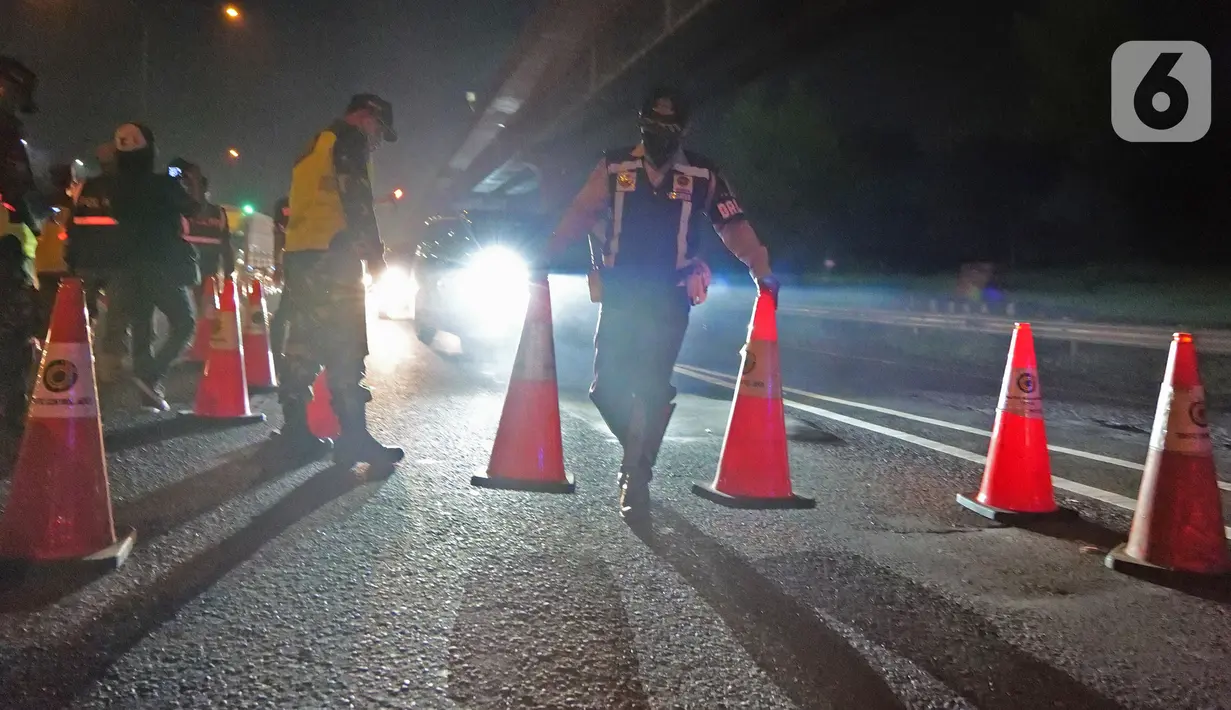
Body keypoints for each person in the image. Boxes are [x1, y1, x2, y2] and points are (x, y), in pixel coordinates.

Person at [544, 86, 781, 520]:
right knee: (606, 390)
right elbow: (581, 213)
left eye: (669, 128)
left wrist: (761, 270)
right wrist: (547, 256)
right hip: (620, 294)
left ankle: (636, 478)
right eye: (652, 126)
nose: (660, 135)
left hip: (670, 297)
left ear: (684, 130)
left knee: (653, 386)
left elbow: (734, 225)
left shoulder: (704, 174)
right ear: (640, 123)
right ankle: (640, 454)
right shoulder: (614, 166)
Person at [278, 94, 403, 466]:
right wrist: (376, 258)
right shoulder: (349, 140)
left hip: (300, 254)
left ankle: (296, 432)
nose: (378, 140)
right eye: (379, 129)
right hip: (334, 255)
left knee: (303, 340)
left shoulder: (316, 143)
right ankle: (353, 439)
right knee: (346, 343)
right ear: (365, 117)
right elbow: (356, 201)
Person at [110, 122, 200, 410]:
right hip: (160, 262)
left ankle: (147, 392)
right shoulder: (163, 184)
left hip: (126, 262)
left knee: (142, 323)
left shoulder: (116, 187)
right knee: (184, 323)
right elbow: (193, 208)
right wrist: (193, 180)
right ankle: (151, 376)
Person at [0, 56, 47, 429]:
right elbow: (20, 189)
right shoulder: (6, 134)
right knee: (14, 327)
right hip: (5, 251)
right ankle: (13, 406)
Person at [68, 142, 130, 382]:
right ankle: (111, 364)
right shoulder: (127, 188)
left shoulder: (84, 188)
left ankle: (80, 356)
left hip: (86, 260)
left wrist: (71, 260)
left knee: (85, 311)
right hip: (117, 262)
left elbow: (72, 226)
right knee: (118, 313)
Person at [171, 158, 234, 286]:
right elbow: (226, 246)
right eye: (189, 186)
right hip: (191, 275)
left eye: (194, 185)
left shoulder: (217, 213)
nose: (191, 190)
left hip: (202, 276)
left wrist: (228, 274)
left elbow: (226, 246)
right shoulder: (178, 212)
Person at [33, 164, 74, 332]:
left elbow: (35, 232)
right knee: (66, 313)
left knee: (46, 311)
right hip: (65, 264)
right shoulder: (74, 205)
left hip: (43, 265)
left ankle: (45, 348)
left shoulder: (40, 203)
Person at [268, 195, 292, 375]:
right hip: (295, 265)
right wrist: (277, 266)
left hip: (311, 263)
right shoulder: (283, 205)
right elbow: (279, 236)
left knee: (284, 315)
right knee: (283, 315)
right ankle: (276, 359)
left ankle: (279, 360)